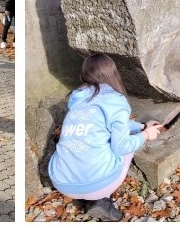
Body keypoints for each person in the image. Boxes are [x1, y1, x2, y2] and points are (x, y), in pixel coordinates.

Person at [49, 54, 163, 222]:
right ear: (113, 73)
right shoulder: (115, 100)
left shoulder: (77, 99)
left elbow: (105, 125)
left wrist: (142, 126)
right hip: (97, 185)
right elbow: (122, 146)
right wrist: (146, 135)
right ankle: (102, 201)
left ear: (84, 74)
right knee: (126, 145)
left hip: (61, 181)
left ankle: (84, 196)